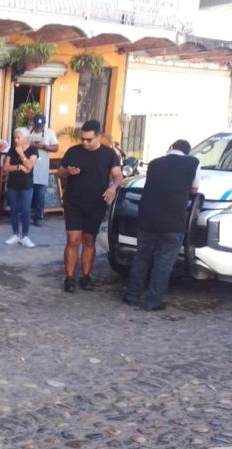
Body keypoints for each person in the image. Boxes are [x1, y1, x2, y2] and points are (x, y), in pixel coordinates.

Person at [123, 140, 200, 311]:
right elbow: (194, 190)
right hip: (173, 220)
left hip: (147, 217)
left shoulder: (154, 163)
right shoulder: (193, 163)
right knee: (164, 261)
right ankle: (153, 301)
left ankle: (132, 295)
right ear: (187, 152)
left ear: (171, 148)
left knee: (142, 256)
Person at [57, 120, 122, 293]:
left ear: (98, 137)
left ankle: (86, 276)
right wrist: (68, 172)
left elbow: (118, 176)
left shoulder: (109, 154)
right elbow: (60, 172)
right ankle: (69, 277)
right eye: (82, 139)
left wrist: (113, 188)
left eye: (89, 139)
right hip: (74, 202)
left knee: (89, 240)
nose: (84, 142)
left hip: (96, 202)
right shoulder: (73, 151)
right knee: (73, 239)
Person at [3, 127, 39, 247]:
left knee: (25, 210)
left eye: (18, 137)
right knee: (13, 209)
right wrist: (18, 166)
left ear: (25, 138)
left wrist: (21, 154)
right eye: (15, 137)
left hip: (26, 185)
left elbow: (29, 167)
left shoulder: (33, 150)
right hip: (13, 184)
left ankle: (25, 235)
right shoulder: (12, 150)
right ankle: (15, 234)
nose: (16, 139)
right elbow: (5, 167)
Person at [28, 113, 59, 226]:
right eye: (36, 126)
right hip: (29, 167)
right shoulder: (27, 132)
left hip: (41, 167)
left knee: (40, 193)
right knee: (28, 193)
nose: (38, 128)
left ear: (44, 125)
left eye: (40, 126)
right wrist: (30, 144)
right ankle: (26, 215)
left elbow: (56, 148)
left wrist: (44, 147)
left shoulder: (49, 133)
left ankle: (39, 216)